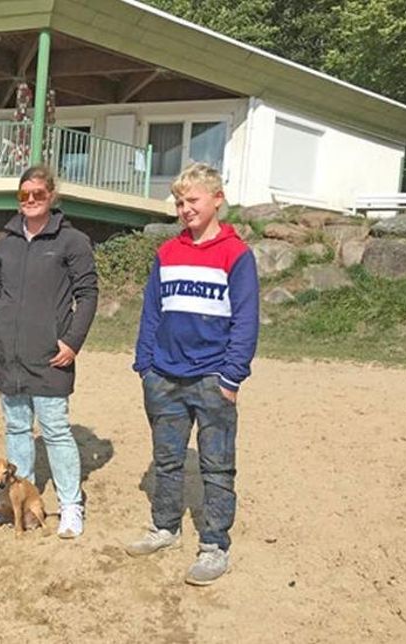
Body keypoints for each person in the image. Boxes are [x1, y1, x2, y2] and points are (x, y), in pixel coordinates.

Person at [127, 162, 259, 586]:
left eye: (193, 200)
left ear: (217, 199)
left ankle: (214, 545)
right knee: (167, 460)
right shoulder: (167, 253)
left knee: (217, 466)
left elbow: (246, 320)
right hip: (163, 377)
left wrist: (231, 377)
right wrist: (145, 365)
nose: (185, 209)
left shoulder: (236, 255)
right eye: (179, 202)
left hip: (212, 379)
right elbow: (152, 312)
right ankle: (164, 526)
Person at [0, 165, 98, 539]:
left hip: (50, 354)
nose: (30, 200)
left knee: (56, 429)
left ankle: (71, 505)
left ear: (52, 196)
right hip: (7, 354)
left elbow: (88, 294)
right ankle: (18, 499)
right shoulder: (5, 243)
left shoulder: (72, 241)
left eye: (38, 194)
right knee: (16, 428)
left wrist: (72, 341)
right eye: (23, 195)